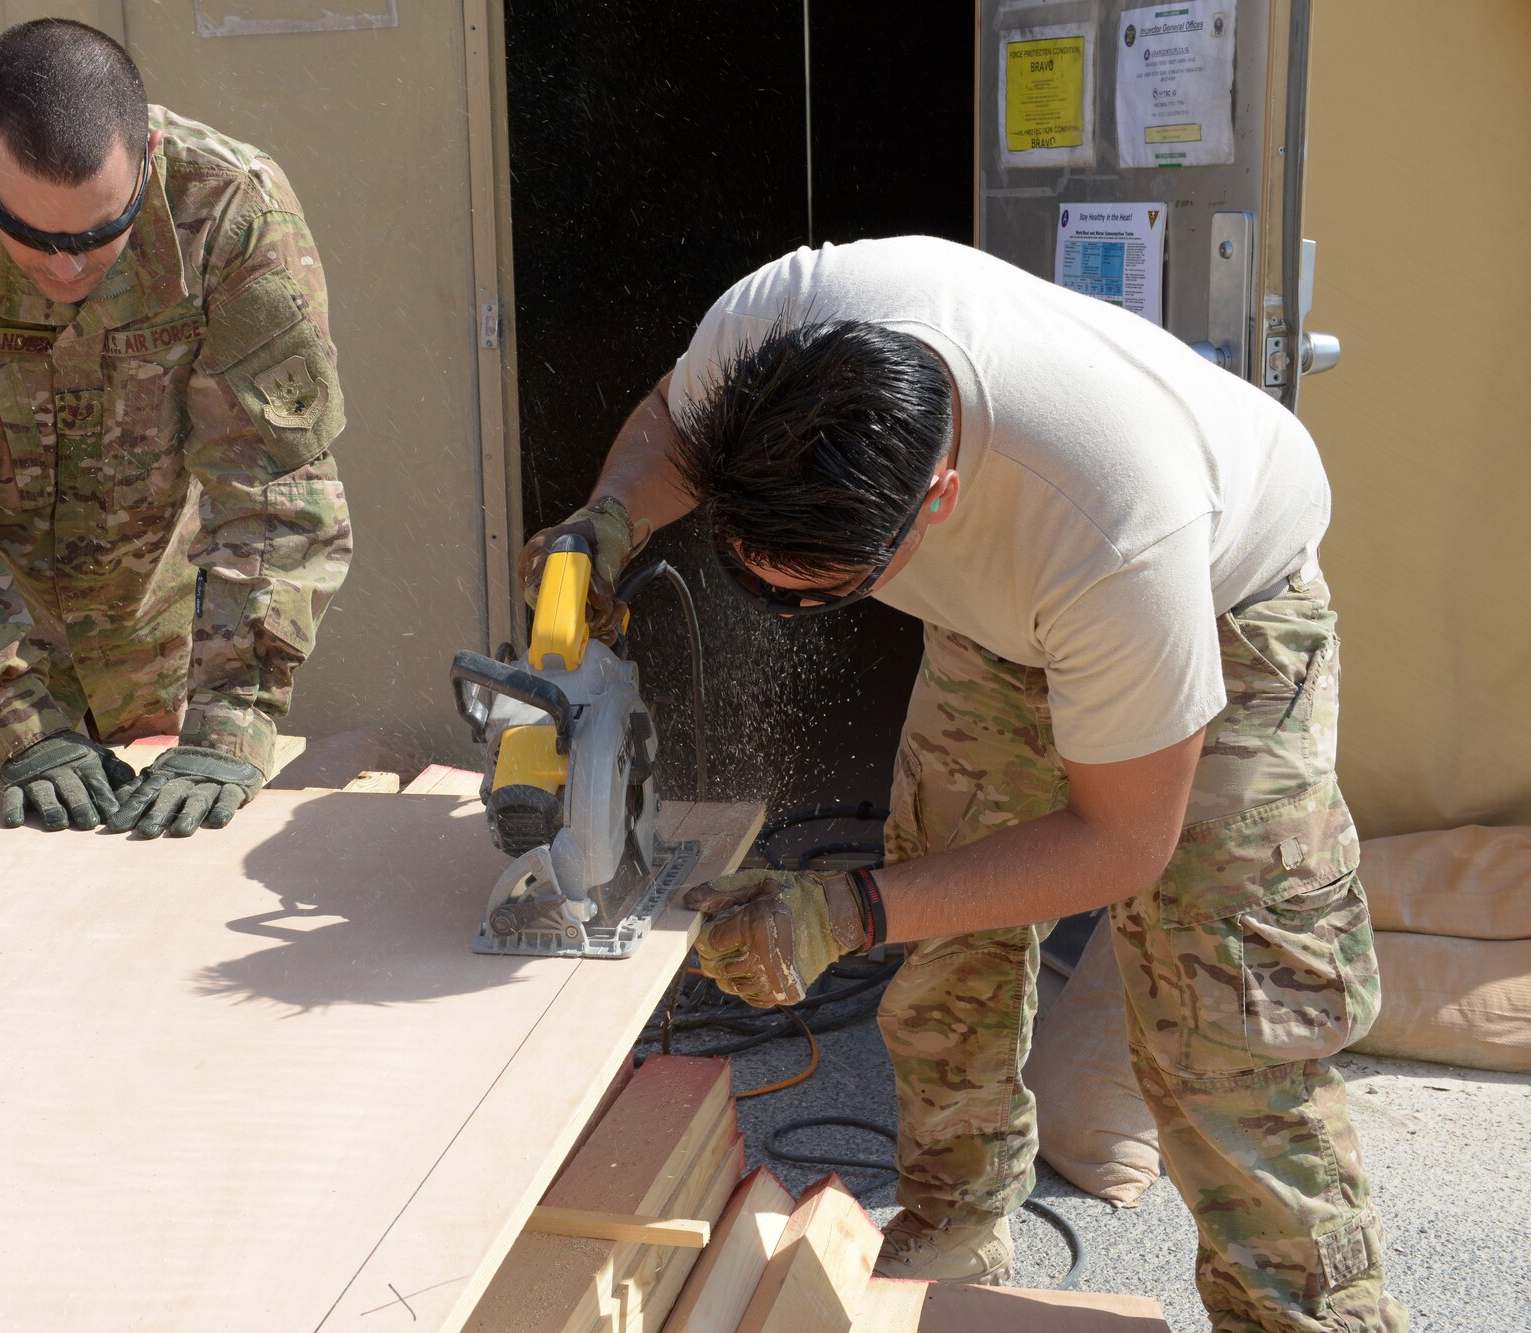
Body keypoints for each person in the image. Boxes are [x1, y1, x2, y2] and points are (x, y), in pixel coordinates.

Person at [520, 236, 1406, 1332]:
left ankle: (1306, 1313)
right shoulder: (764, 324)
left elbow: (1120, 843)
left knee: (1223, 1018)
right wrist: (608, 515)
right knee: (946, 936)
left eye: (812, 596)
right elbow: (670, 418)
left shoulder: (1119, 532)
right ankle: (951, 1229)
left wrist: (845, 909)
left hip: (1222, 608)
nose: (777, 608)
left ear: (934, 498)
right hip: (1004, 611)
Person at [0, 19, 350, 836]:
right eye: (30, 235)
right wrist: (18, 720)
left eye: (98, 235)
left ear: (149, 157)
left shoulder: (227, 209)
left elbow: (273, 488)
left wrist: (232, 722)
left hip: (159, 660)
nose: (65, 265)